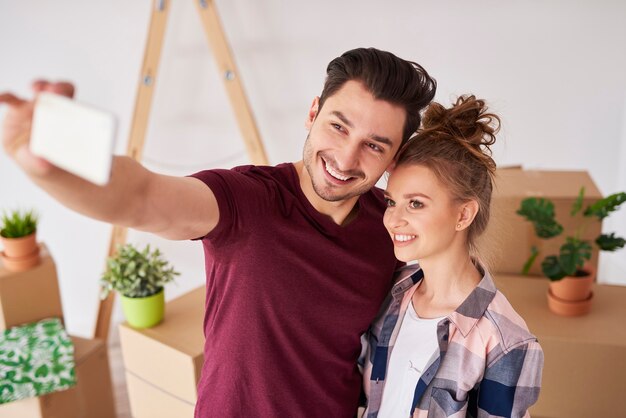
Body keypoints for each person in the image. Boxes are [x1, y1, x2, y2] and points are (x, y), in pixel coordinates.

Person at [0, 48, 437, 417]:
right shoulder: (247, 199)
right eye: (338, 126)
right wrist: (53, 169)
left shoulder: (391, 227)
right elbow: (141, 196)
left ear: (394, 158)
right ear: (312, 112)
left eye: (374, 145)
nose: (345, 157)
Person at [360, 96, 543, 417]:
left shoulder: (505, 341)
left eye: (415, 203)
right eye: (391, 202)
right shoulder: (393, 290)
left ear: (463, 214)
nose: (393, 219)